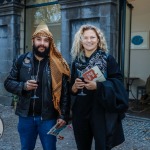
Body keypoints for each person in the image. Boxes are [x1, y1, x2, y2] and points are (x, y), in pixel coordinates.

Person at [4, 22, 70, 150]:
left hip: (48, 118)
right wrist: (23, 86)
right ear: (33, 40)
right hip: (26, 117)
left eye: (46, 40)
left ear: (50, 43)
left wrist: (63, 116)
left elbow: (65, 93)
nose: (42, 43)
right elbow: (8, 83)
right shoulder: (21, 60)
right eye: (39, 39)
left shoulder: (58, 64)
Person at [70, 24, 128, 150]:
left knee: (103, 146)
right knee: (82, 146)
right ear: (80, 40)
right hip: (80, 111)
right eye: (85, 38)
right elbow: (70, 88)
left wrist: (98, 86)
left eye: (92, 37)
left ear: (98, 39)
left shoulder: (108, 59)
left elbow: (118, 83)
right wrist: (74, 87)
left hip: (101, 110)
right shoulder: (76, 61)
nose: (89, 41)